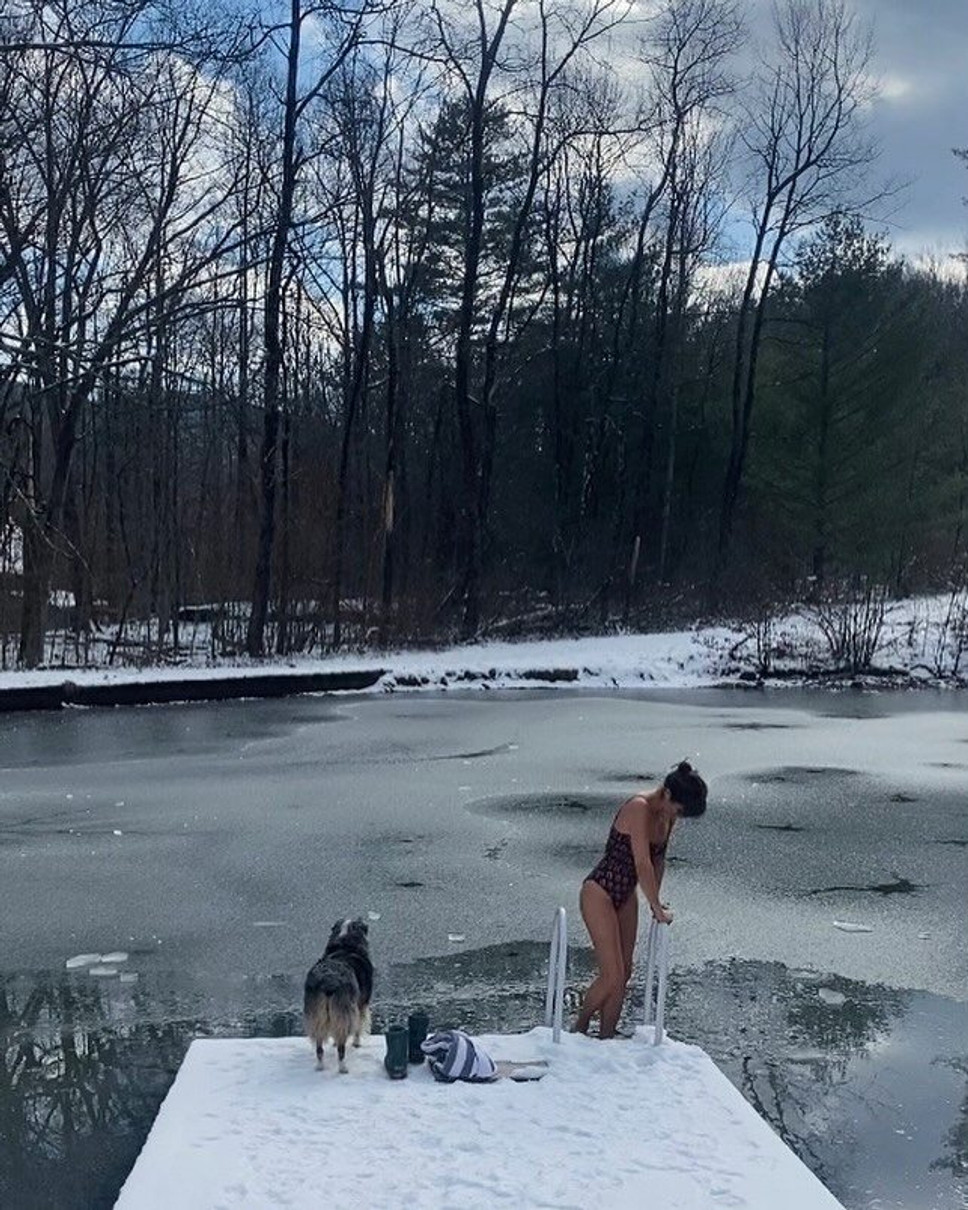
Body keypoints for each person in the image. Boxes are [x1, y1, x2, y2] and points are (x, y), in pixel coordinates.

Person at [573, 761, 707, 1038]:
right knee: (611, 973)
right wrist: (655, 907)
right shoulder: (639, 807)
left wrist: (655, 900)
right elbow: (642, 862)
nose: (678, 816)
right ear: (668, 795)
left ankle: (606, 1037)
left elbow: (658, 861)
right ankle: (579, 1027)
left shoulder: (667, 818)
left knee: (625, 973)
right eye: (679, 810)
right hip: (599, 890)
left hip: (626, 894)